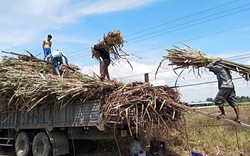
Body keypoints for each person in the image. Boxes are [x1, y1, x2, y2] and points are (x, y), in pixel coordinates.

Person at [207, 58, 240, 123]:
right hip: (231, 87)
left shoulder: (220, 68)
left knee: (217, 100)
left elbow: (209, 66)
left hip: (225, 87)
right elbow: (211, 69)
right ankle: (238, 118)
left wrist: (215, 61)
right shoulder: (226, 71)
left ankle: (223, 114)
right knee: (233, 102)